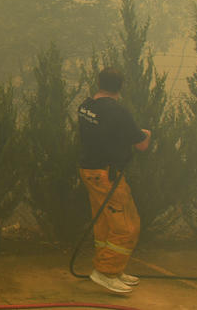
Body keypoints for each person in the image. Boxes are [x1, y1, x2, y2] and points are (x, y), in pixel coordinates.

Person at [77, 67, 151, 295]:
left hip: (89, 172)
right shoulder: (118, 112)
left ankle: (112, 269)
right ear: (120, 87)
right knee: (127, 226)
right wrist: (147, 133)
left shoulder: (86, 106)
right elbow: (141, 144)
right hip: (107, 176)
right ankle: (106, 273)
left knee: (105, 224)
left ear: (99, 82)